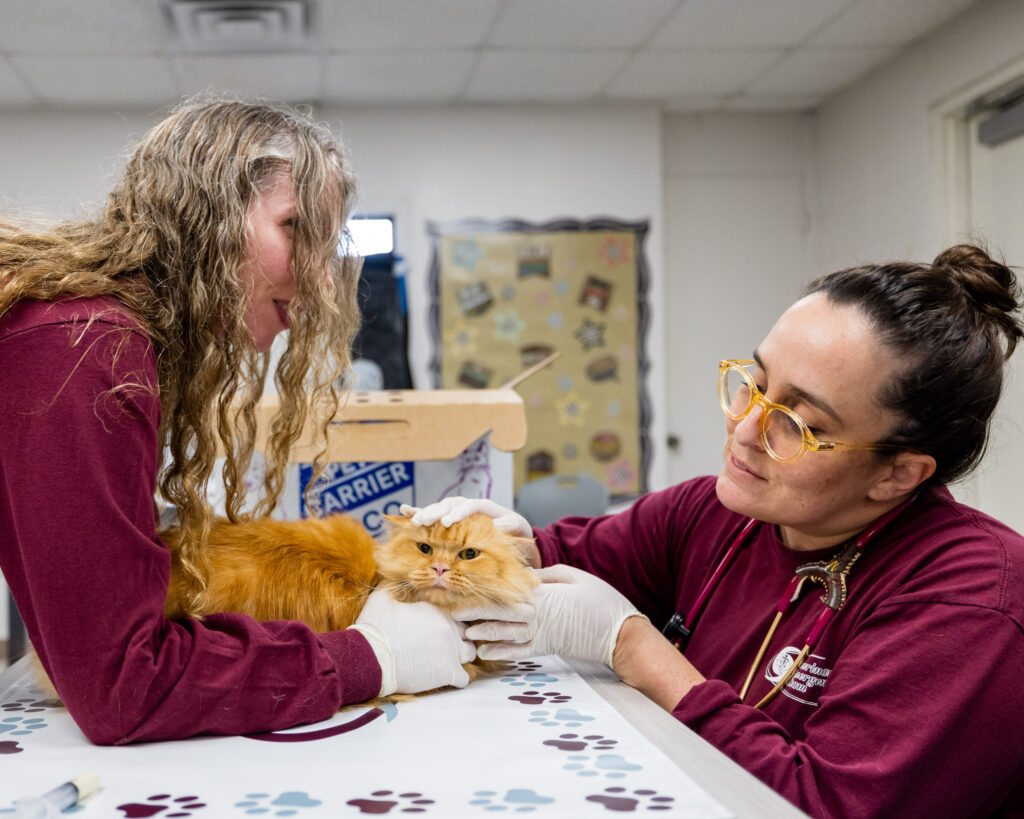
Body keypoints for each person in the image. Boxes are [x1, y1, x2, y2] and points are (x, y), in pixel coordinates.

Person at [408, 244, 1024, 818]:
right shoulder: (718, 513)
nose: (746, 429)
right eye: (754, 384)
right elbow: (559, 557)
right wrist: (498, 546)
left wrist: (634, 648)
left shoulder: (970, 596)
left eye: (797, 423)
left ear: (897, 474)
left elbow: (820, 803)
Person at [0, 96, 472, 745]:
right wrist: (371, 655)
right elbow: (122, 686)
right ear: (209, 212)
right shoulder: (84, 349)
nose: (321, 283)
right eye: (296, 229)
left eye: (329, 250)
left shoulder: (96, 335)